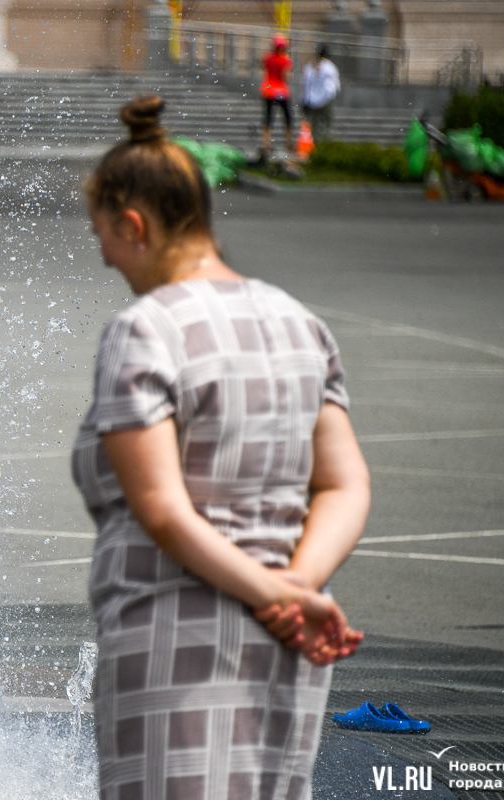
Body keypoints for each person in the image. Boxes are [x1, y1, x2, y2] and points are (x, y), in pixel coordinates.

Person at [74, 95, 368, 800]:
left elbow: (164, 512)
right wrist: (296, 589)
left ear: (134, 224)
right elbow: (344, 485)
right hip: (292, 642)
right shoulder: (301, 323)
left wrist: (270, 593)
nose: (103, 254)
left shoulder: (144, 330)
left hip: (175, 636)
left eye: (103, 235)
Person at [260, 34, 294, 155]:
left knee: (268, 117)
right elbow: (287, 75)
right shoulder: (284, 58)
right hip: (281, 90)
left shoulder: (268, 57)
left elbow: (263, 68)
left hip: (268, 89)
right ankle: (289, 142)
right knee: (288, 117)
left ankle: (266, 143)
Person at [303, 45, 342, 146]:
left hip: (312, 101)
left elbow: (306, 84)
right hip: (325, 99)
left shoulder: (309, 67)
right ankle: (326, 142)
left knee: (315, 125)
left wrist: (306, 99)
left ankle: (318, 144)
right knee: (328, 120)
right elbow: (335, 84)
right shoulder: (329, 67)